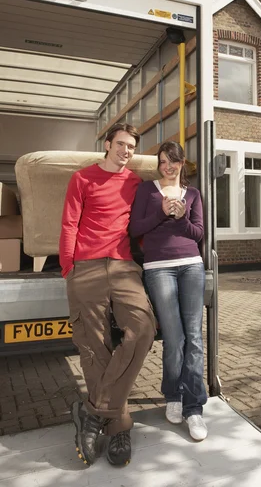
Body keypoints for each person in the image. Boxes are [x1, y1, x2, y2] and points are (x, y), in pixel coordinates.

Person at [59, 123, 156, 467]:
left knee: (143, 329)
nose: (126, 151)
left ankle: (93, 412)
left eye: (131, 146)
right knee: (93, 344)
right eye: (121, 144)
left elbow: (146, 224)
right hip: (85, 266)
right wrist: (68, 267)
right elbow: (70, 222)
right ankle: (118, 425)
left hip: (123, 266)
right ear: (107, 144)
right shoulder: (82, 179)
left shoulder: (137, 184)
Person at [129, 140, 208, 441]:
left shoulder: (194, 194)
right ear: (158, 164)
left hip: (191, 265)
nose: (167, 166)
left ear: (182, 163)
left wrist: (182, 217)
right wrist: (162, 212)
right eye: (162, 161)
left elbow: (198, 234)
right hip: (159, 267)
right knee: (173, 337)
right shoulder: (147, 191)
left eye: (172, 161)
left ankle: (194, 408)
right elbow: (135, 228)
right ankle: (172, 394)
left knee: (195, 337)